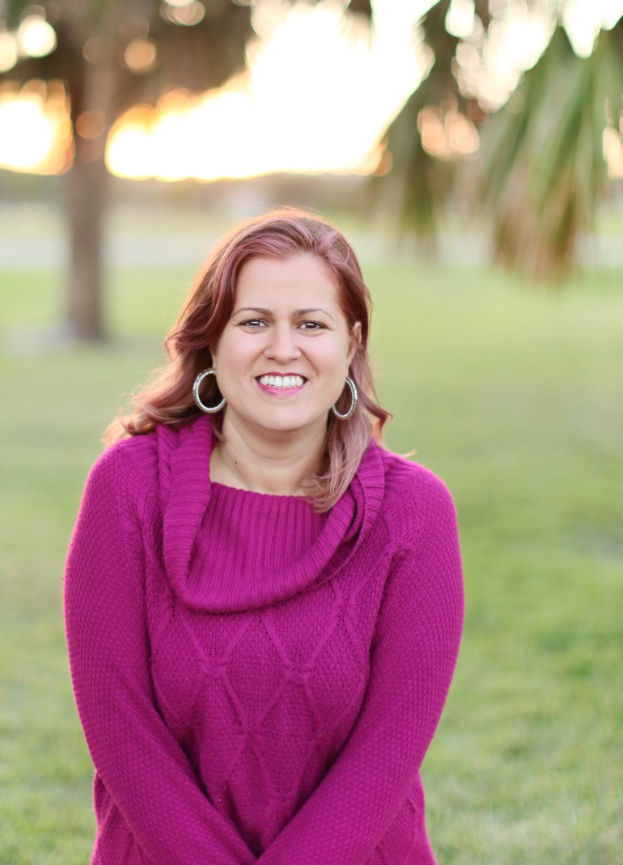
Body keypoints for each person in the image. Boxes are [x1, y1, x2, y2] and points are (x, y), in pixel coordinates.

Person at [64, 207, 464, 865]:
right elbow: (119, 728)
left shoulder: (414, 513)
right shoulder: (127, 488)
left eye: (311, 323)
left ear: (351, 343)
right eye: (253, 322)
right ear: (211, 341)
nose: (283, 348)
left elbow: (388, 750)